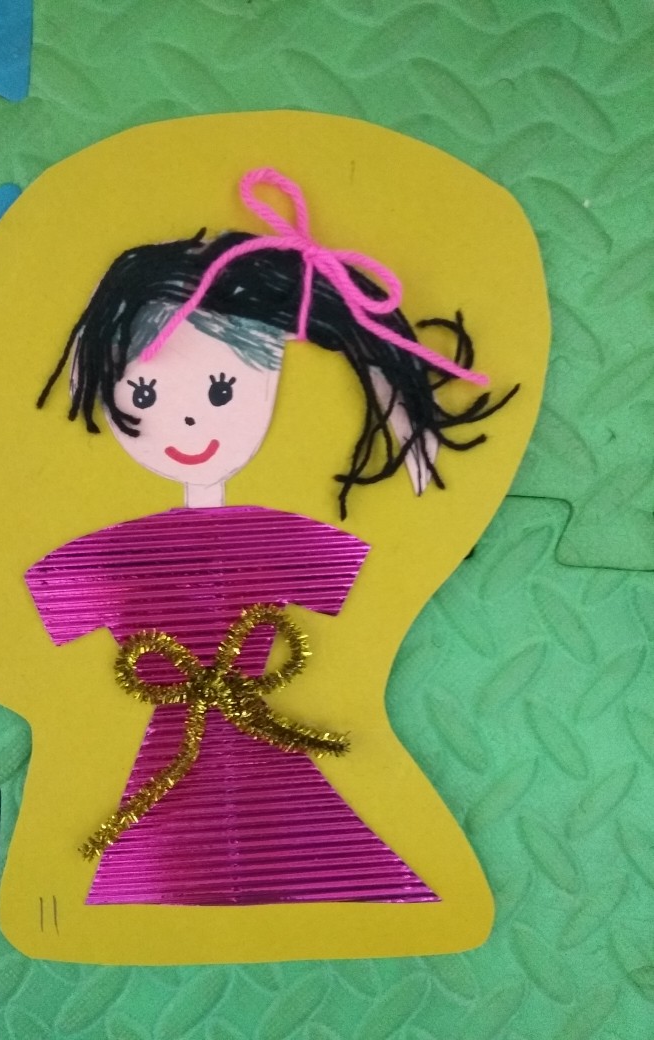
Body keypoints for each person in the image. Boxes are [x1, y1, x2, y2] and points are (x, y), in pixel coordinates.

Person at [26, 168, 514, 907]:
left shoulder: (282, 540)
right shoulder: (110, 554)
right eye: (146, 392)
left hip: (271, 766)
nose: (190, 421)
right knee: (157, 882)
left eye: (221, 390)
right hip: (172, 767)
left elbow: (366, 603)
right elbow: (41, 623)